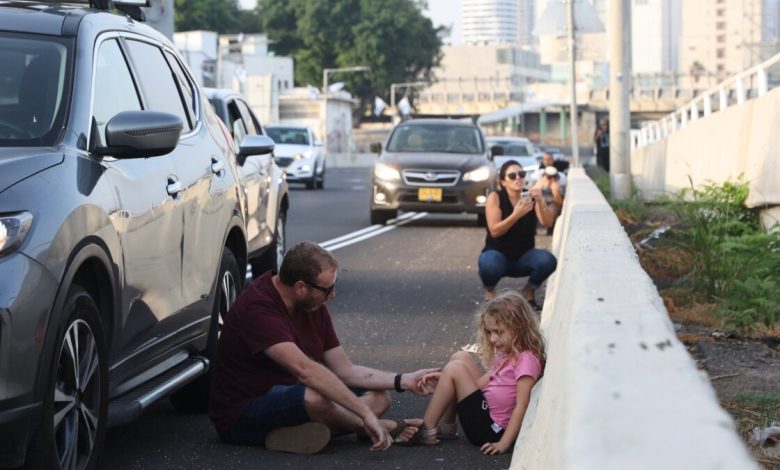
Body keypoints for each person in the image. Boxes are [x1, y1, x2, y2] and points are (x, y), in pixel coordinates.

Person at [209, 241, 439, 454]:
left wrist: (405, 380)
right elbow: (306, 371)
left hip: (291, 396)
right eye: (327, 290)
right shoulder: (258, 309)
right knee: (317, 398)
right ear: (300, 287)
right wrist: (366, 415)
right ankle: (376, 427)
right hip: (243, 414)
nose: (333, 295)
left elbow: (344, 370)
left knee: (380, 397)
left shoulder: (311, 304)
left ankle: (318, 426)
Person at [407, 290, 545, 454]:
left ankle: (427, 430)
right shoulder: (508, 352)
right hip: (485, 410)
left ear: (519, 327)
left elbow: (522, 406)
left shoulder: (526, 360)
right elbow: (481, 384)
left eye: (498, 332)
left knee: (455, 368)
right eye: (489, 332)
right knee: (460, 357)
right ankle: (447, 427)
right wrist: (447, 381)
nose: (492, 339)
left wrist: (503, 443)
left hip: (491, 430)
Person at [478, 160, 558, 306]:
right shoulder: (495, 198)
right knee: (488, 264)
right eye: (512, 176)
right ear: (503, 182)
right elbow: (495, 231)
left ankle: (529, 291)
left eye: (521, 174)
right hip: (498, 255)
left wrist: (541, 201)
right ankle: (490, 292)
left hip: (523, 256)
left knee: (548, 260)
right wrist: (516, 215)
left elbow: (548, 223)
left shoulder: (530, 197)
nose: (518, 178)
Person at [533, 166, 566, 235]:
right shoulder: (538, 180)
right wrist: (537, 188)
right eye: (549, 178)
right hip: (540, 201)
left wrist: (555, 192)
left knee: (553, 210)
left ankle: (550, 229)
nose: (551, 180)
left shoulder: (561, 183)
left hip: (553, 203)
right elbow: (529, 196)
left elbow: (560, 203)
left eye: (554, 178)